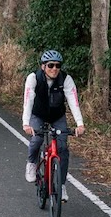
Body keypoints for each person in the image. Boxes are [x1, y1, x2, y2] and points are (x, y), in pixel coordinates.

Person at [22, 49, 85, 202]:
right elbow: (28, 100)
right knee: (37, 140)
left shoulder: (65, 79)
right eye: (51, 65)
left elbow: (73, 101)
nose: (54, 69)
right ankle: (31, 163)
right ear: (43, 66)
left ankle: (61, 185)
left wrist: (80, 124)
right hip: (38, 114)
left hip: (57, 116)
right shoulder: (34, 78)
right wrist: (26, 123)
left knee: (62, 149)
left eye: (58, 65)